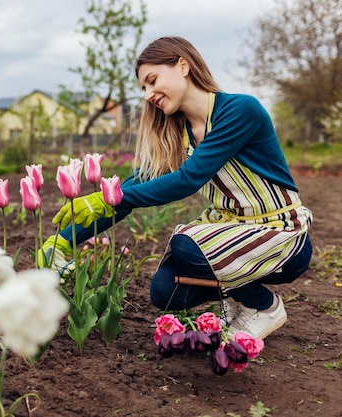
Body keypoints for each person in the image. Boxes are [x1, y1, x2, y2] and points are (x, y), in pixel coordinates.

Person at [39, 36, 313, 340]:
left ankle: (262, 305)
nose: (148, 95)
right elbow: (131, 189)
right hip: (232, 233)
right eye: (143, 88)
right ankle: (238, 300)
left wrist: (110, 199)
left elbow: (188, 180)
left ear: (183, 65)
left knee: (187, 245)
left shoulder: (239, 110)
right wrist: (63, 241)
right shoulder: (178, 133)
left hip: (281, 235)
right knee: (165, 291)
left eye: (153, 80)